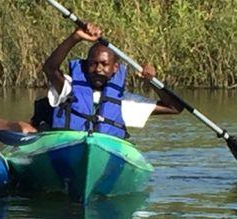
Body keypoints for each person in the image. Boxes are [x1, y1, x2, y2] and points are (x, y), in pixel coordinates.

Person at [32, 22, 183, 138]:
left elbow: (174, 108)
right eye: (93, 63)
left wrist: (152, 81)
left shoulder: (124, 101)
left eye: (104, 64)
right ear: (85, 65)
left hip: (105, 151)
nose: (98, 69)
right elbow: (50, 68)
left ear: (115, 68)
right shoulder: (68, 88)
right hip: (68, 146)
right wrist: (75, 37)